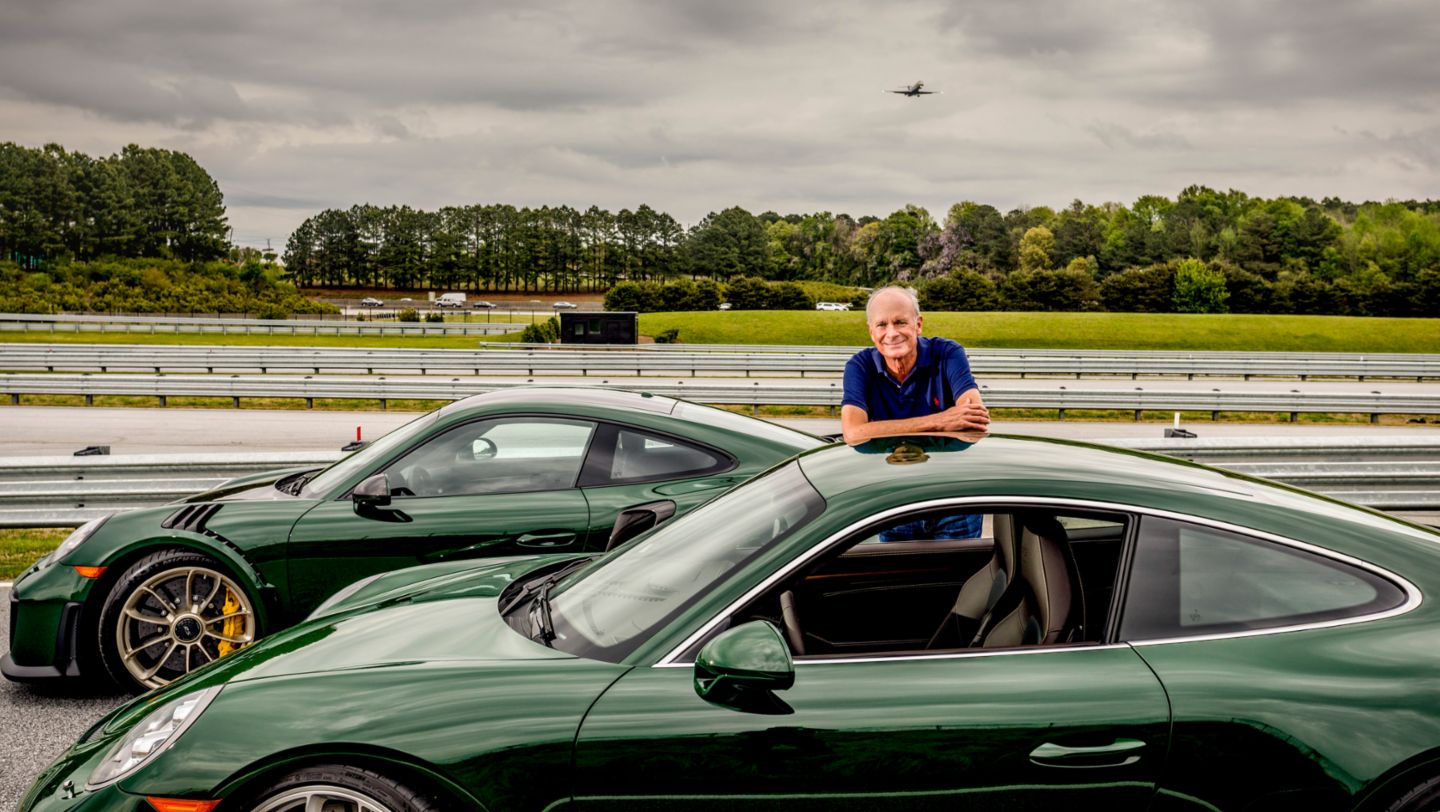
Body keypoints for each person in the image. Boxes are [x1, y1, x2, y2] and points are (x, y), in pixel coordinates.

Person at [841, 285, 989, 539]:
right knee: (898, 579)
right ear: (871, 331)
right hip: (895, 501)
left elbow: (975, 419)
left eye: (900, 322)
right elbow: (853, 432)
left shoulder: (947, 353)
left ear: (918, 325)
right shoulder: (860, 366)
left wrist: (884, 429)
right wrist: (942, 420)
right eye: (882, 325)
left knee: (959, 579)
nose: (892, 333)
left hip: (953, 500)